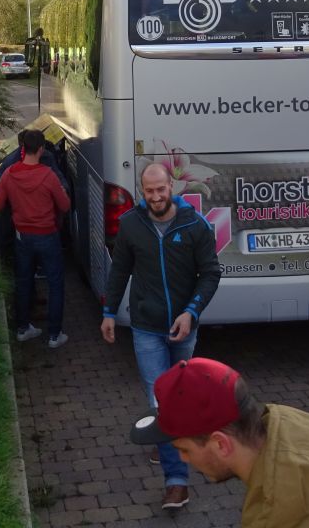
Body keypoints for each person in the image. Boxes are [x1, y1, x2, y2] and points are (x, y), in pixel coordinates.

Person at [128, 357, 309, 527]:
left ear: (220, 444)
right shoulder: (298, 428)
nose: (183, 460)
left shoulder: (274, 513)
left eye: (184, 449)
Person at [101, 162, 222, 510]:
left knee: (179, 401)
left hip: (183, 329)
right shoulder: (130, 225)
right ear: (142, 192)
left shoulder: (195, 225)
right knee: (162, 402)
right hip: (146, 328)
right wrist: (109, 313)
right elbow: (120, 269)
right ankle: (177, 482)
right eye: (149, 191)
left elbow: (210, 273)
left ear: (172, 186)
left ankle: (165, 440)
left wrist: (192, 312)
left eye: (161, 189)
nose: (156, 196)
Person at [0, 129, 71, 348]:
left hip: (22, 238)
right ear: (42, 149)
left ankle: (23, 328)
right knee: (55, 283)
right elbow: (64, 205)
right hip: (47, 236)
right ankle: (55, 335)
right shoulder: (48, 175)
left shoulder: (9, 174)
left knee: (23, 281)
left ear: (22, 148)